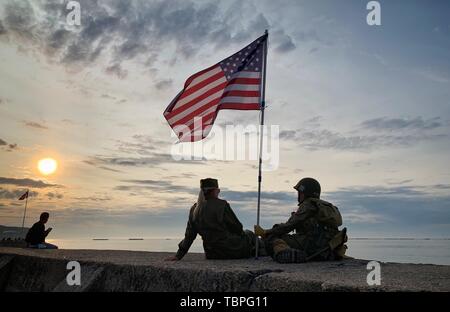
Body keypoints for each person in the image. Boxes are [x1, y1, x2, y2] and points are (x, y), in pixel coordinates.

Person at [254, 177, 347, 263]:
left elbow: (289, 225)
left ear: (305, 193)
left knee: (272, 238)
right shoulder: (327, 207)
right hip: (326, 247)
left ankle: (286, 253)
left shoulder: (308, 204)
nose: (298, 196)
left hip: (312, 244)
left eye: (300, 193)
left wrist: (266, 232)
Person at [166, 178, 262, 261]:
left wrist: (178, 255)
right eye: (218, 190)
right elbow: (237, 228)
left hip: (212, 253)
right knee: (249, 234)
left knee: (251, 241)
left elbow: (189, 236)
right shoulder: (222, 205)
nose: (219, 192)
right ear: (214, 191)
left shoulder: (194, 210)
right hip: (231, 250)